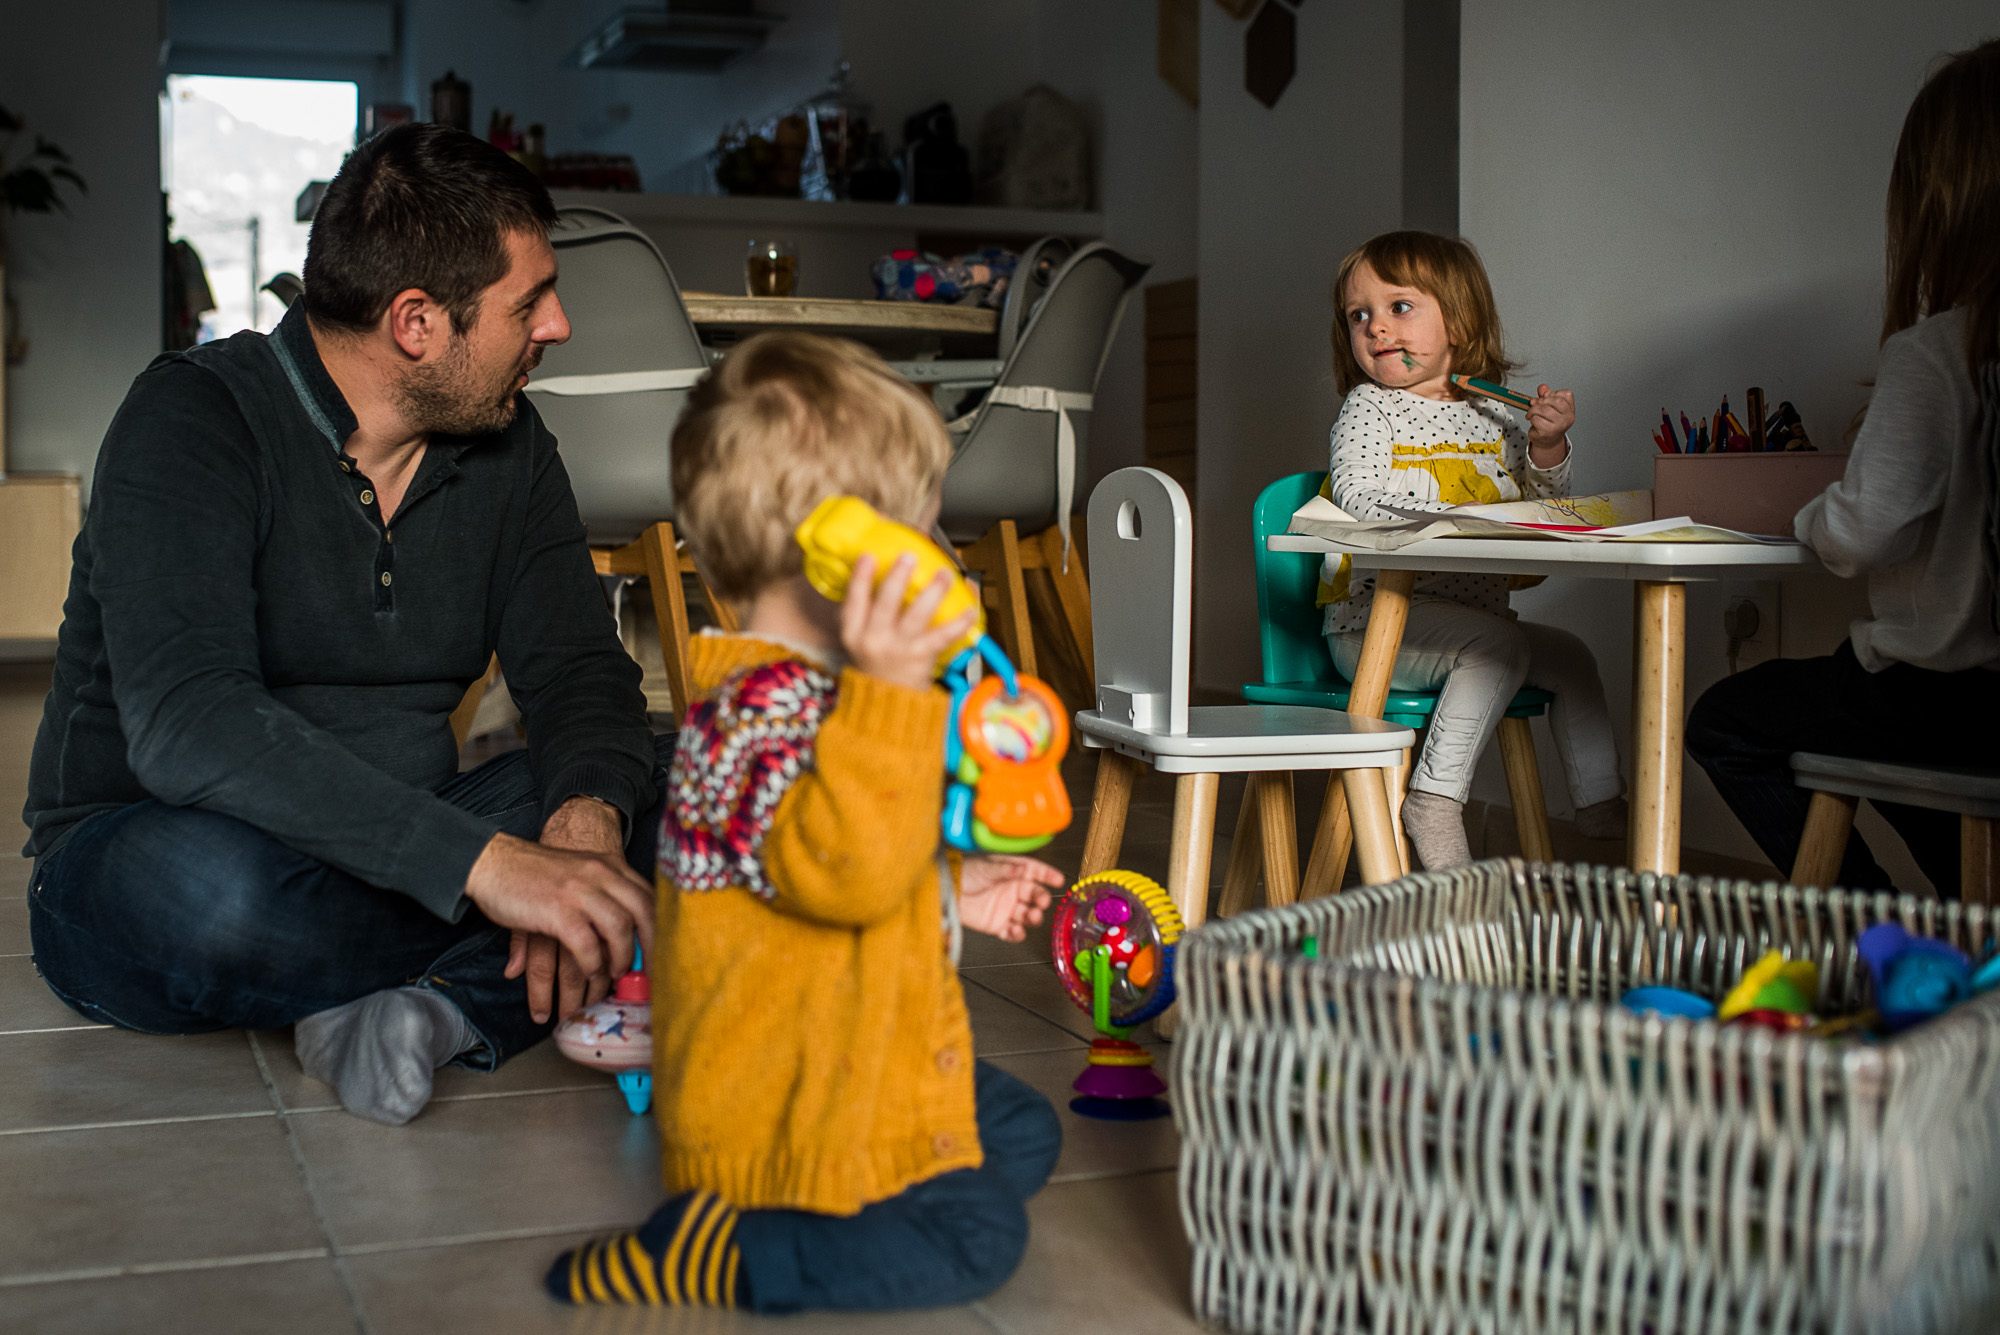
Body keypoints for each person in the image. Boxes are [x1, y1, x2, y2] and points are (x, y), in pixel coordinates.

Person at [23, 122, 664, 1126]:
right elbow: (190, 721)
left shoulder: (510, 447)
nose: (558, 326)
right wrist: (489, 868)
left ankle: (427, 1012)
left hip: (401, 843)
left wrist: (583, 819)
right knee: (214, 899)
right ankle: (488, 955)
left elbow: (579, 668)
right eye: (529, 301)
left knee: (657, 782)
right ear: (416, 322)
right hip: (160, 850)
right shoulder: (192, 419)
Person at [546, 332, 1066, 1312]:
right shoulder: (753, 717)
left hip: (852, 1060)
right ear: (848, 557)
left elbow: (822, 863)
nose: (944, 557)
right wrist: (898, 694)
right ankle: (723, 1247)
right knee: (981, 1239)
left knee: (1021, 1131)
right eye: (923, 531)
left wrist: (951, 885)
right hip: (783, 1104)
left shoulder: (831, 698)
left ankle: (830, 1216)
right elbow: (843, 872)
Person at [1687, 40, 2000, 894]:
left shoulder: (1940, 351)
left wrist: (1810, 514)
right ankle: (1968, 918)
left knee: (1727, 722)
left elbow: (1859, 535)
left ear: (1941, 203)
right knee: (1899, 748)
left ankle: (1872, 929)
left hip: (1943, 695)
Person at [1319, 230, 1626, 869]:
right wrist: (1459, 517)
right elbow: (1354, 494)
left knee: (1571, 658)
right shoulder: (1371, 407)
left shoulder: (1496, 415)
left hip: (1473, 621)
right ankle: (1433, 799)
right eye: (1359, 315)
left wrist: (1548, 450)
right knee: (1500, 648)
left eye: (1399, 307)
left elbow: (1539, 500)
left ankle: (1603, 809)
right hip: (1378, 628)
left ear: (1458, 320)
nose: (1376, 327)